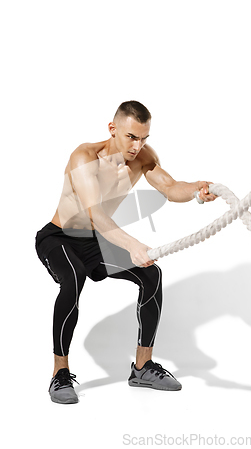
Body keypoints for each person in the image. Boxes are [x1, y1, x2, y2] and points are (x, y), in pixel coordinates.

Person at [35, 100, 218, 404]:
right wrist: (132, 244)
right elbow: (95, 214)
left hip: (95, 240)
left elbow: (171, 188)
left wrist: (197, 190)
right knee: (74, 277)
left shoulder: (143, 158)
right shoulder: (84, 158)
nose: (137, 146)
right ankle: (60, 373)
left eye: (144, 138)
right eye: (131, 137)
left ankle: (143, 367)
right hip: (60, 237)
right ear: (113, 129)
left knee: (151, 275)